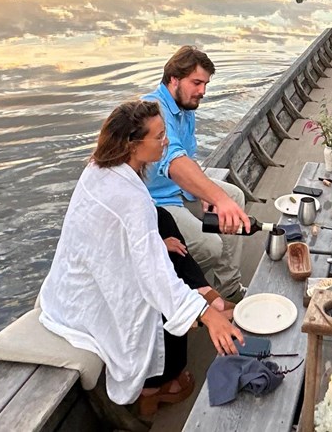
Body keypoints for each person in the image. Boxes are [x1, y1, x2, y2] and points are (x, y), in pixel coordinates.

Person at [38, 100, 243, 413]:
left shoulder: (100, 167)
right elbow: (153, 277)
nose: (166, 141)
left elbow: (113, 236)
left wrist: (159, 243)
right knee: (167, 299)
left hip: (78, 273)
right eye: (159, 136)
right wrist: (204, 315)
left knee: (163, 220)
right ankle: (158, 384)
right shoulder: (130, 198)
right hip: (88, 297)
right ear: (132, 144)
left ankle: (203, 293)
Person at [144, 46, 253, 302]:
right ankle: (185, 294)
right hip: (158, 200)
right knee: (210, 247)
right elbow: (173, 161)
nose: (202, 91)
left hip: (181, 190)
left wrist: (202, 190)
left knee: (234, 195)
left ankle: (228, 286)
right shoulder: (154, 110)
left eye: (205, 83)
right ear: (173, 79)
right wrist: (216, 198)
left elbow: (188, 155)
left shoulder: (186, 108)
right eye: (196, 82)